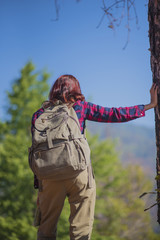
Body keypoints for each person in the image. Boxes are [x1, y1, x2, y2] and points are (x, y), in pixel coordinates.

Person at [31, 74, 158, 240]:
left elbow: (37, 149)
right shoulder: (80, 107)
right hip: (79, 174)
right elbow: (114, 114)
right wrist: (149, 105)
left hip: (48, 177)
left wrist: (40, 182)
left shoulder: (39, 114)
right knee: (81, 230)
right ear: (76, 90)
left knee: (46, 231)